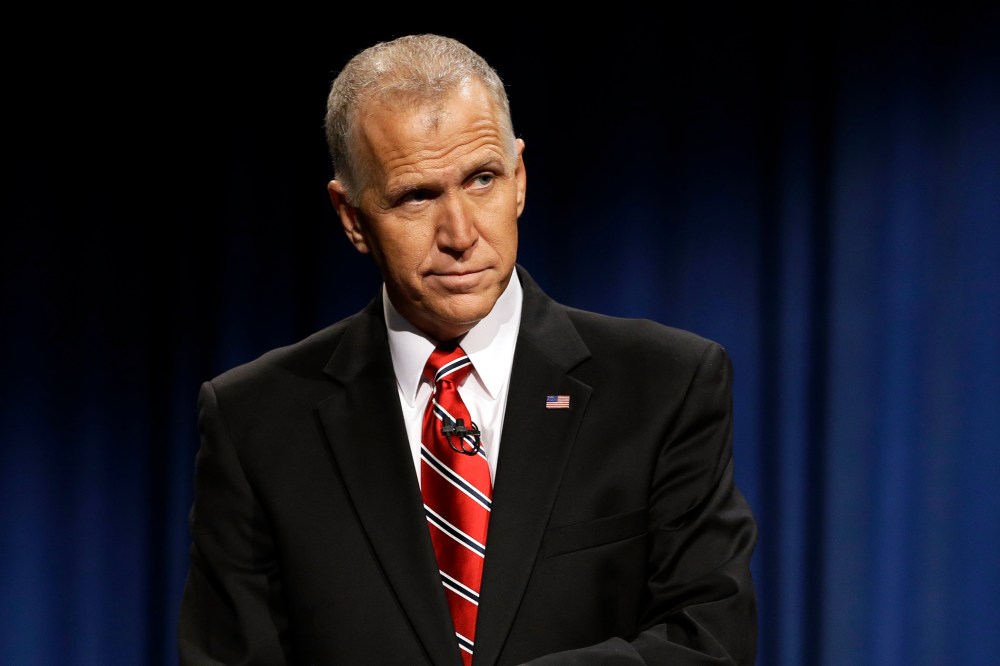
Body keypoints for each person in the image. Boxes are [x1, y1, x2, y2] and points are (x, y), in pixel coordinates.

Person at [178, 33, 758, 665]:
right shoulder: (255, 421)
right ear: (351, 217)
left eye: (481, 179)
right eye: (416, 196)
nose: (459, 234)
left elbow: (707, 640)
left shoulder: (665, 386)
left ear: (519, 180)